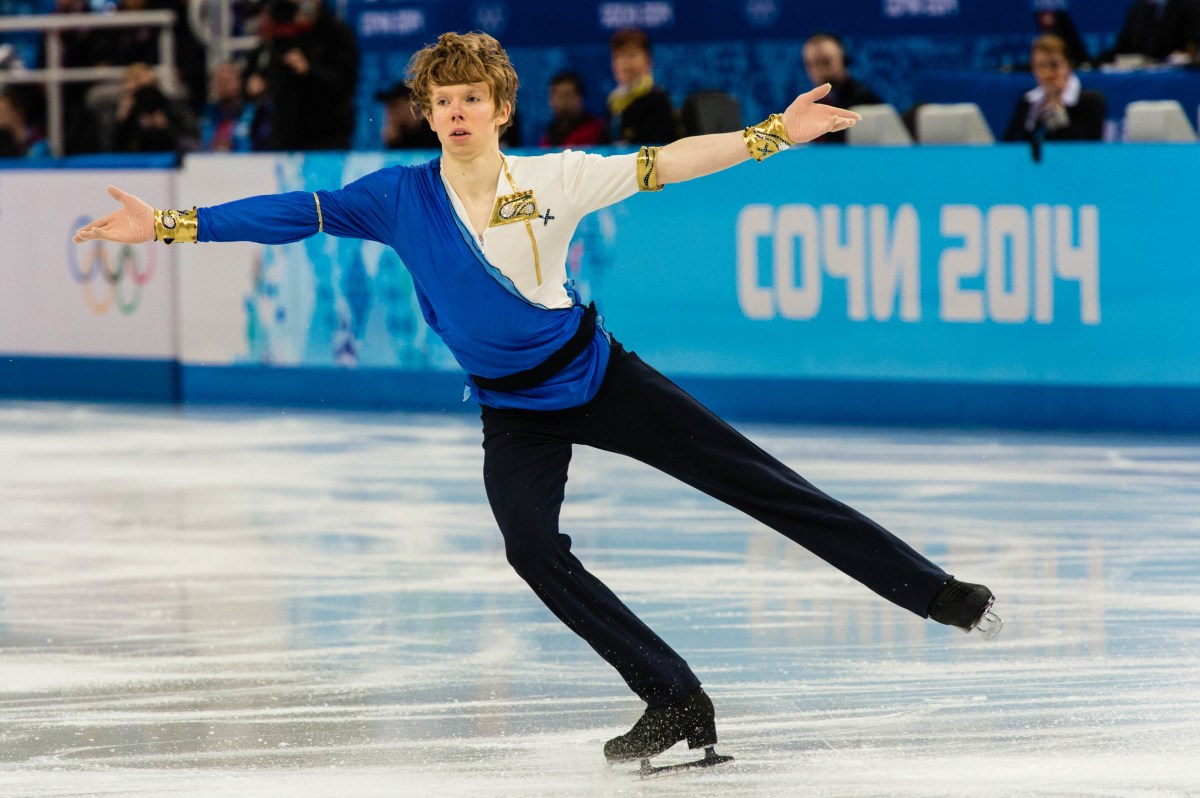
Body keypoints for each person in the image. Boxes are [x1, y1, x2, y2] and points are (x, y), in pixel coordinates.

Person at [74, 31, 1002, 771]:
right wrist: (167, 224)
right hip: (513, 410)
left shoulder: (553, 177)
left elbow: (669, 160)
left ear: (500, 107)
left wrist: (771, 135)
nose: (456, 113)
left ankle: (939, 594)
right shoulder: (398, 198)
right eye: (441, 102)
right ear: (426, 115)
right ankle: (673, 696)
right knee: (530, 546)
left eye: (471, 98)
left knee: (759, 483)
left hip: (600, 376)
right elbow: (295, 211)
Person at [242, 0, 358, 150]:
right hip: (284, 137)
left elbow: (345, 83)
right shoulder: (280, 33)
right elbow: (261, 73)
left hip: (327, 138)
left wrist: (309, 70)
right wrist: (257, 82)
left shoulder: (337, 34)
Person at [1003, 35, 1106, 144]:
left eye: (1054, 65)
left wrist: (1056, 103)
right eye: (1041, 66)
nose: (1048, 73)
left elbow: (1083, 145)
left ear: (1068, 65)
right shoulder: (1028, 101)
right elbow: (1009, 144)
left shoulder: (1091, 100)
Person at [801, 32, 884, 144]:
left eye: (826, 62)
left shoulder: (864, 100)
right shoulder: (808, 105)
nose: (820, 71)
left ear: (844, 60)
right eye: (812, 64)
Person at [606, 28, 679, 145]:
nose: (625, 63)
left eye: (631, 55)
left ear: (648, 60)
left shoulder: (657, 99)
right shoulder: (613, 101)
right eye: (618, 57)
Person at [1105, 0, 1200, 64]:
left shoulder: (1190, 6)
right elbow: (1122, 47)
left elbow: (1195, 42)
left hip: (1177, 71)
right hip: (1141, 71)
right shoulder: (1139, 9)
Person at [539, 70, 609, 148]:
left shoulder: (597, 130)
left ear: (580, 98)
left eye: (567, 94)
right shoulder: (547, 138)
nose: (561, 100)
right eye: (556, 95)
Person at [375, 81, 440, 150]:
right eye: (388, 107)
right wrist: (391, 143)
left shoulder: (435, 131)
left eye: (395, 106)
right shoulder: (398, 136)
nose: (391, 113)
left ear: (413, 106)